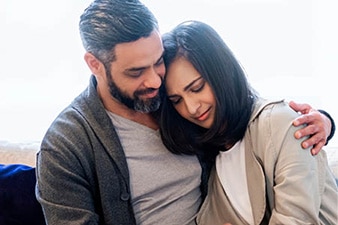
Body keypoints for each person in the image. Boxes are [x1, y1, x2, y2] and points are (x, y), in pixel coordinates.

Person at [35, 0, 335, 224]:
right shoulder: (65, 145)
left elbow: (240, 110)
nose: (154, 80)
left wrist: (322, 121)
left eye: (157, 62)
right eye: (137, 71)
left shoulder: (168, 98)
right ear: (94, 64)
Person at [159, 20, 338, 225]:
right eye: (177, 100)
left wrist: (326, 121)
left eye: (197, 87)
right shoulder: (206, 162)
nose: (191, 108)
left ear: (222, 73)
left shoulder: (279, 123)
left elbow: (296, 220)